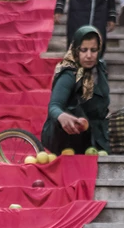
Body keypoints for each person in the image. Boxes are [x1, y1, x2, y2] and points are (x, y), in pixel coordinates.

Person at [41, 25, 110, 157]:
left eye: (93, 50)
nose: (89, 55)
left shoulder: (101, 68)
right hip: (71, 137)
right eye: (84, 50)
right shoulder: (69, 74)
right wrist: (62, 116)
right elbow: (54, 105)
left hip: (96, 136)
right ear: (76, 50)